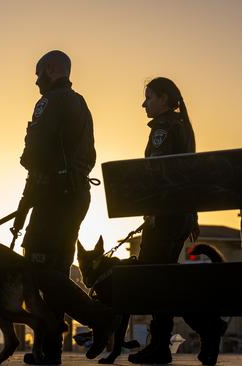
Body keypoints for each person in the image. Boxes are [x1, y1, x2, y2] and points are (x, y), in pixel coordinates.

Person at [15, 50, 108, 364]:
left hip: (55, 194)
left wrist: (25, 204)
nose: (36, 79)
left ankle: (99, 319)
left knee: (38, 271)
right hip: (75, 193)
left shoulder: (50, 102)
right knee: (55, 272)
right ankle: (49, 350)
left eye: (39, 72)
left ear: (52, 70)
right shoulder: (80, 103)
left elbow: (35, 154)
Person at [128, 77, 227, 366]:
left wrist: (154, 210)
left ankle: (192, 333)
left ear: (164, 98)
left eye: (148, 97)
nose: (144, 103)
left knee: (155, 279)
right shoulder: (182, 127)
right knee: (166, 279)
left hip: (166, 216)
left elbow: (159, 172)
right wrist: (191, 214)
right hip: (179, 215)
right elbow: (190, 173)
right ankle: (171, 340)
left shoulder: (164, 127)